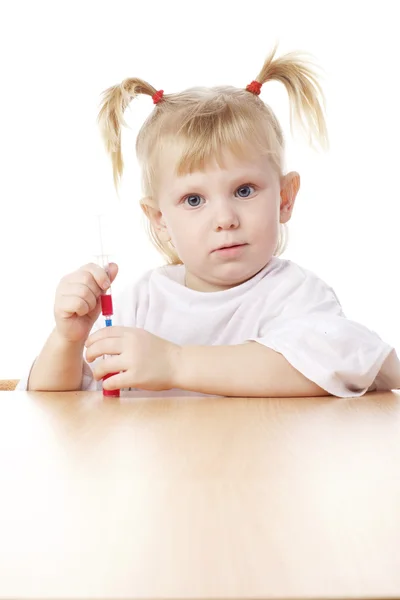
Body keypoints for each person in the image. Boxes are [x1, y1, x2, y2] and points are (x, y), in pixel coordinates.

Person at [16, 44, 400, 398]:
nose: (225, 219)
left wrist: (174, 363)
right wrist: (67, 340)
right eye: (194, 199)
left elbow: (329, 368)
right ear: (159, 219)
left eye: (245, 190)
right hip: (163, 474)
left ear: (284, 198)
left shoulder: (295, 296)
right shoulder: (141, 303)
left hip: (266, 471)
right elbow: (54, 407)